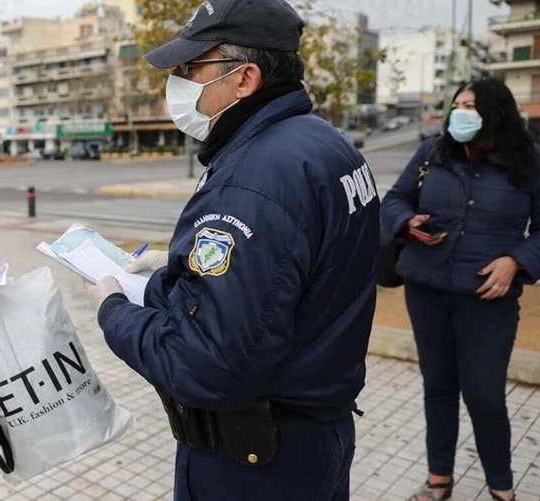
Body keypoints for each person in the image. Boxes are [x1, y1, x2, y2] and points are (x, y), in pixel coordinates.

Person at [85, 0, 380, 499]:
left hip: (256, 463)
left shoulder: (250, 181)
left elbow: (209, 368)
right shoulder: (329, 145)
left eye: (191, 68)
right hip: (320, 435)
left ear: (244, 79)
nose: (177, 82)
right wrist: (175, 270)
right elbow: (283, 285)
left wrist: (114, 312)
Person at [382, 79, 540, 501]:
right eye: (456, 105)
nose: (460, 112)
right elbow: (394, 200)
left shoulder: (528, 162)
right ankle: (439, 480)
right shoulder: (432, 153)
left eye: (470, 104)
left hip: (487, 299)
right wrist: (407, 222)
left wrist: (517, 261)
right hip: (427, 288)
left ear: (495, 110)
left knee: (485, 396)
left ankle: (501, 487)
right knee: (438, 388)